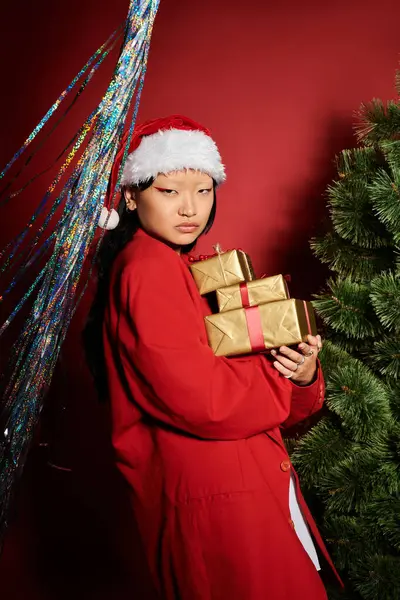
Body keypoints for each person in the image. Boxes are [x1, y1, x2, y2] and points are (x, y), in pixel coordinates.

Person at [84, 115, 342, 599]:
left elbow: (263, 400)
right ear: (130, 197)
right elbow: (201, 399)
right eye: (169, 191)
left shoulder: (181, 268)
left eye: (203, 191)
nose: (190, 208)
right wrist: (280, 381)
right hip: (218, 500)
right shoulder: (147, 270)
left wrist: (301, 373)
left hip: (246, 488)